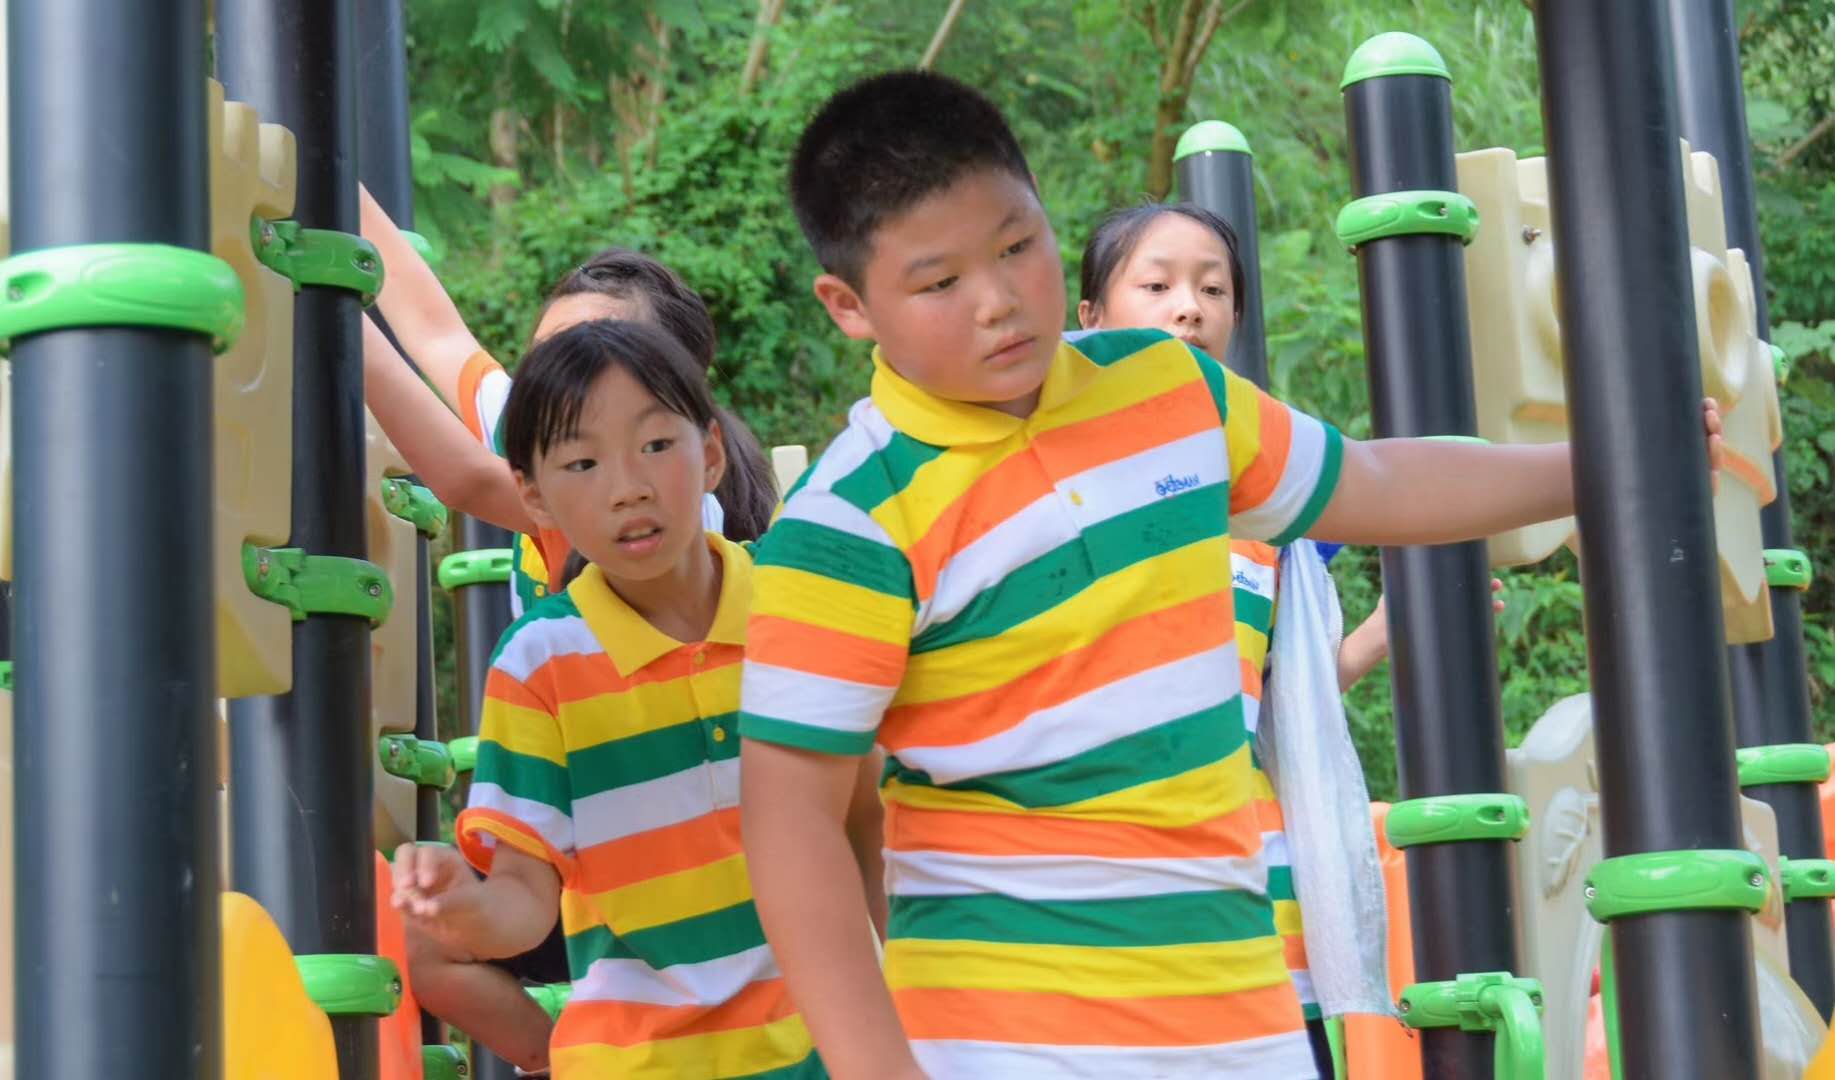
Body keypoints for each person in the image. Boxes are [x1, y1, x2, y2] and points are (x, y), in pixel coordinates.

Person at [737, 69, 1722, 1079]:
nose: (996, 302)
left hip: (1240, 1023)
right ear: (847, 306)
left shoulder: (1166, 390)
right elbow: (789, 822)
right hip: (1000, 1038)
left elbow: (1374, 478)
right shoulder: (845, 525)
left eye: (1015, 246)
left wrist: (1600, 463)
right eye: (939, 282)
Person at [393, 319, 880, 1078]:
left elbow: (866, 822)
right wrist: (464, 911)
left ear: (710, 452)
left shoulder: (794, 608)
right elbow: (525, 897)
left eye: (656, 445)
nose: (629, 488)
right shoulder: (539, 662)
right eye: (582, 463)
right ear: (533, 495)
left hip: (822, 1047)